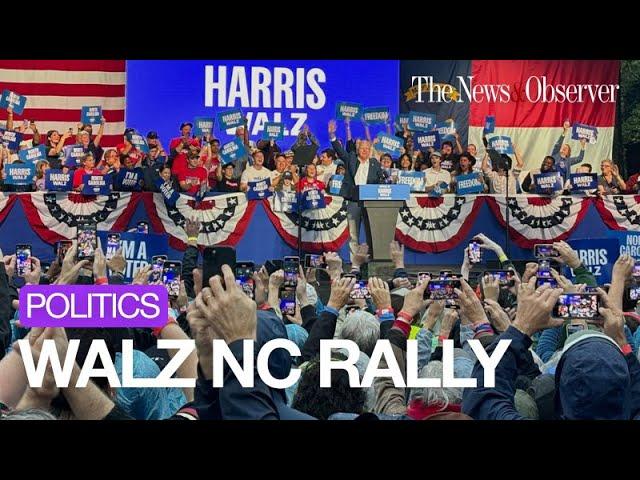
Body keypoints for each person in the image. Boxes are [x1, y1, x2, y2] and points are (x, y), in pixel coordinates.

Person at [328, 119, 385, 263]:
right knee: (353, 234)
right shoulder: (351, 158)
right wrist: (332, 135)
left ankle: (370, 261)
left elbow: (381, 182)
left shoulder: (375, 164)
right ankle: (355, 264)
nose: (365, 151)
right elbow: (340, 151)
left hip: (370, 204)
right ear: (358, 149)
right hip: (353, 201)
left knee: (371, 234)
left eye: (367, 148)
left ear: (370, 150)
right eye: (362, 148)